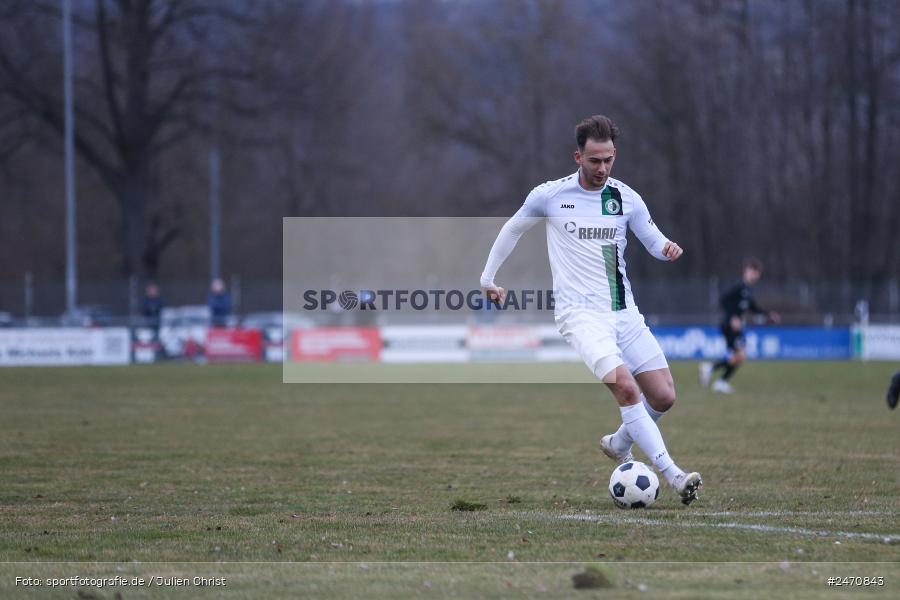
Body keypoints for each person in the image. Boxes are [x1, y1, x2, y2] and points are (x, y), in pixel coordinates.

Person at [480, 115, 702, 505]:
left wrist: (668, 249)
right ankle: (674, 474)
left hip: (624, 312)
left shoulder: (626, 198)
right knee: (626, 388)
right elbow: (513, 229)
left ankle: (619, 443)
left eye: (608, 160)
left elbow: (653, 241)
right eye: (594, 160)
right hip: (580, 316)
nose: (602, 169)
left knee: (664, 396)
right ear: (577, 156)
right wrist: (488, 278)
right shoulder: (550, 196)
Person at [699, 258, 780, 393]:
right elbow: (723, 299)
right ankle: (716, 376)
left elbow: (753, 308)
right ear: (746, 271)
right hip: (729, 325)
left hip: (736, 327)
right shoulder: (738, 286)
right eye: (752, 271)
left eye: (756, 272)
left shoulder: (748, 290)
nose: (754, 275)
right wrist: (732, 317)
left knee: (737, 356)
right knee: (739, 355)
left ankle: (715, 374)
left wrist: (769, 314)